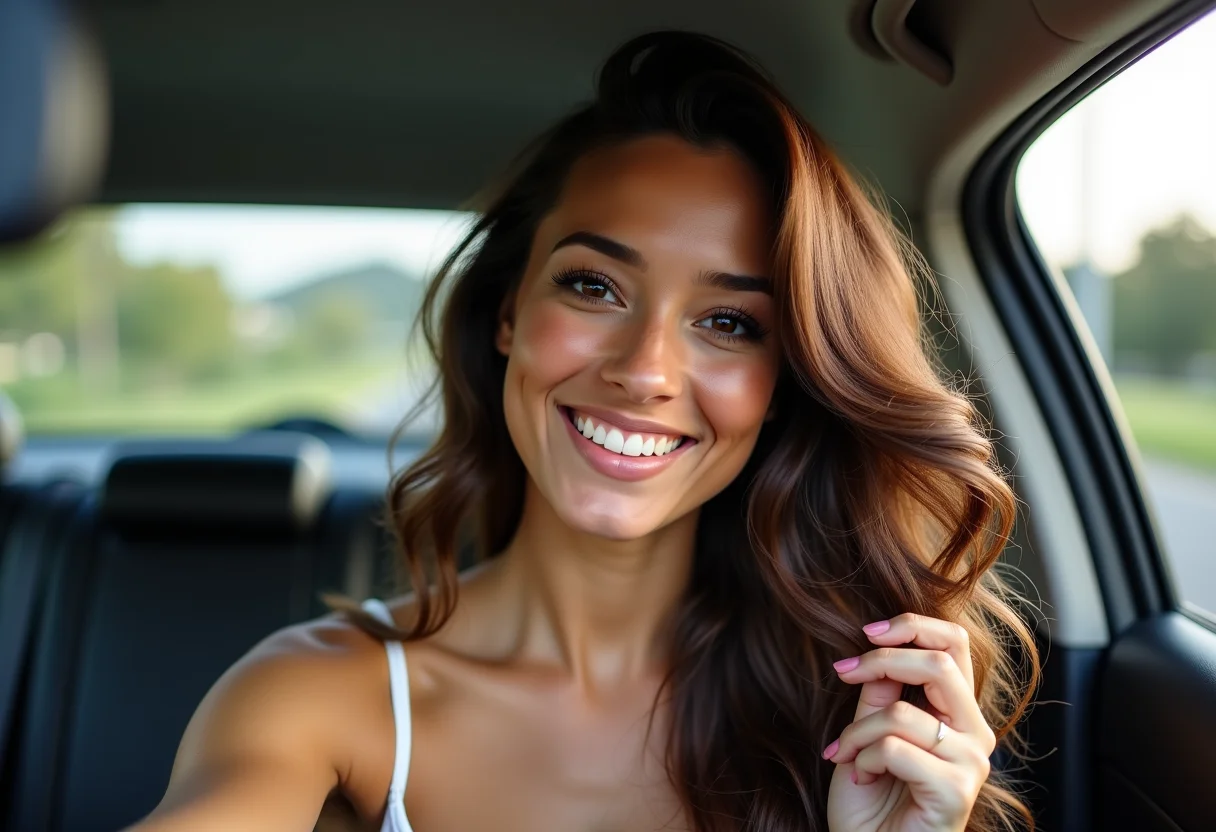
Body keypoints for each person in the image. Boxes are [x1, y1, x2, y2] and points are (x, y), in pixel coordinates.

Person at [131, 31, 1039, 832]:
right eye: (594, 286)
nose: (644, 371)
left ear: (787, 383)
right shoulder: (318, 695)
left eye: (729, 323)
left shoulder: (853, 720)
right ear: (507, 315)